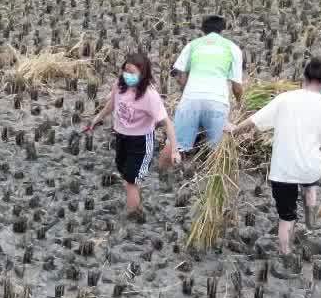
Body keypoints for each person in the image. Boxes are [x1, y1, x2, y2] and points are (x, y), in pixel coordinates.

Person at [230, 58, 321, 257]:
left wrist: (234, 130)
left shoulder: (285, 99)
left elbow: (256, 121)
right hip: (309, 168)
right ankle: (310, 219)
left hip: (283, 170)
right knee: (310, 183)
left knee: (286, 217)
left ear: (304, 76)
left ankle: (285, 253)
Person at [89, 51, 179, 217]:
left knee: (130, 180)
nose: (127, 75)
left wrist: (174, 149)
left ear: (143, 74)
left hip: (141, 143)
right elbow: (111, 105)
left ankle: (133, 215)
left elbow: (167, 123)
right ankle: (137, 201)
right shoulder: (120, 85)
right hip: (121, 138)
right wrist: (96, 119)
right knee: (125, 173)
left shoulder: (150, 96)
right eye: (126, 71)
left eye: (132, 73)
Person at [170, 16, 246, 155]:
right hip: (217, 102)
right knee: (215, 152)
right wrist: (241, 104)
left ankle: (170, 173)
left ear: (202, 30)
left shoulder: (193, 45)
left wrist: (186, 91)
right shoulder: (233, 48)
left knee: (176, 148)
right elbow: (236, 86)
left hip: (191, 100)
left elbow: (180, 76)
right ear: (223, 30)